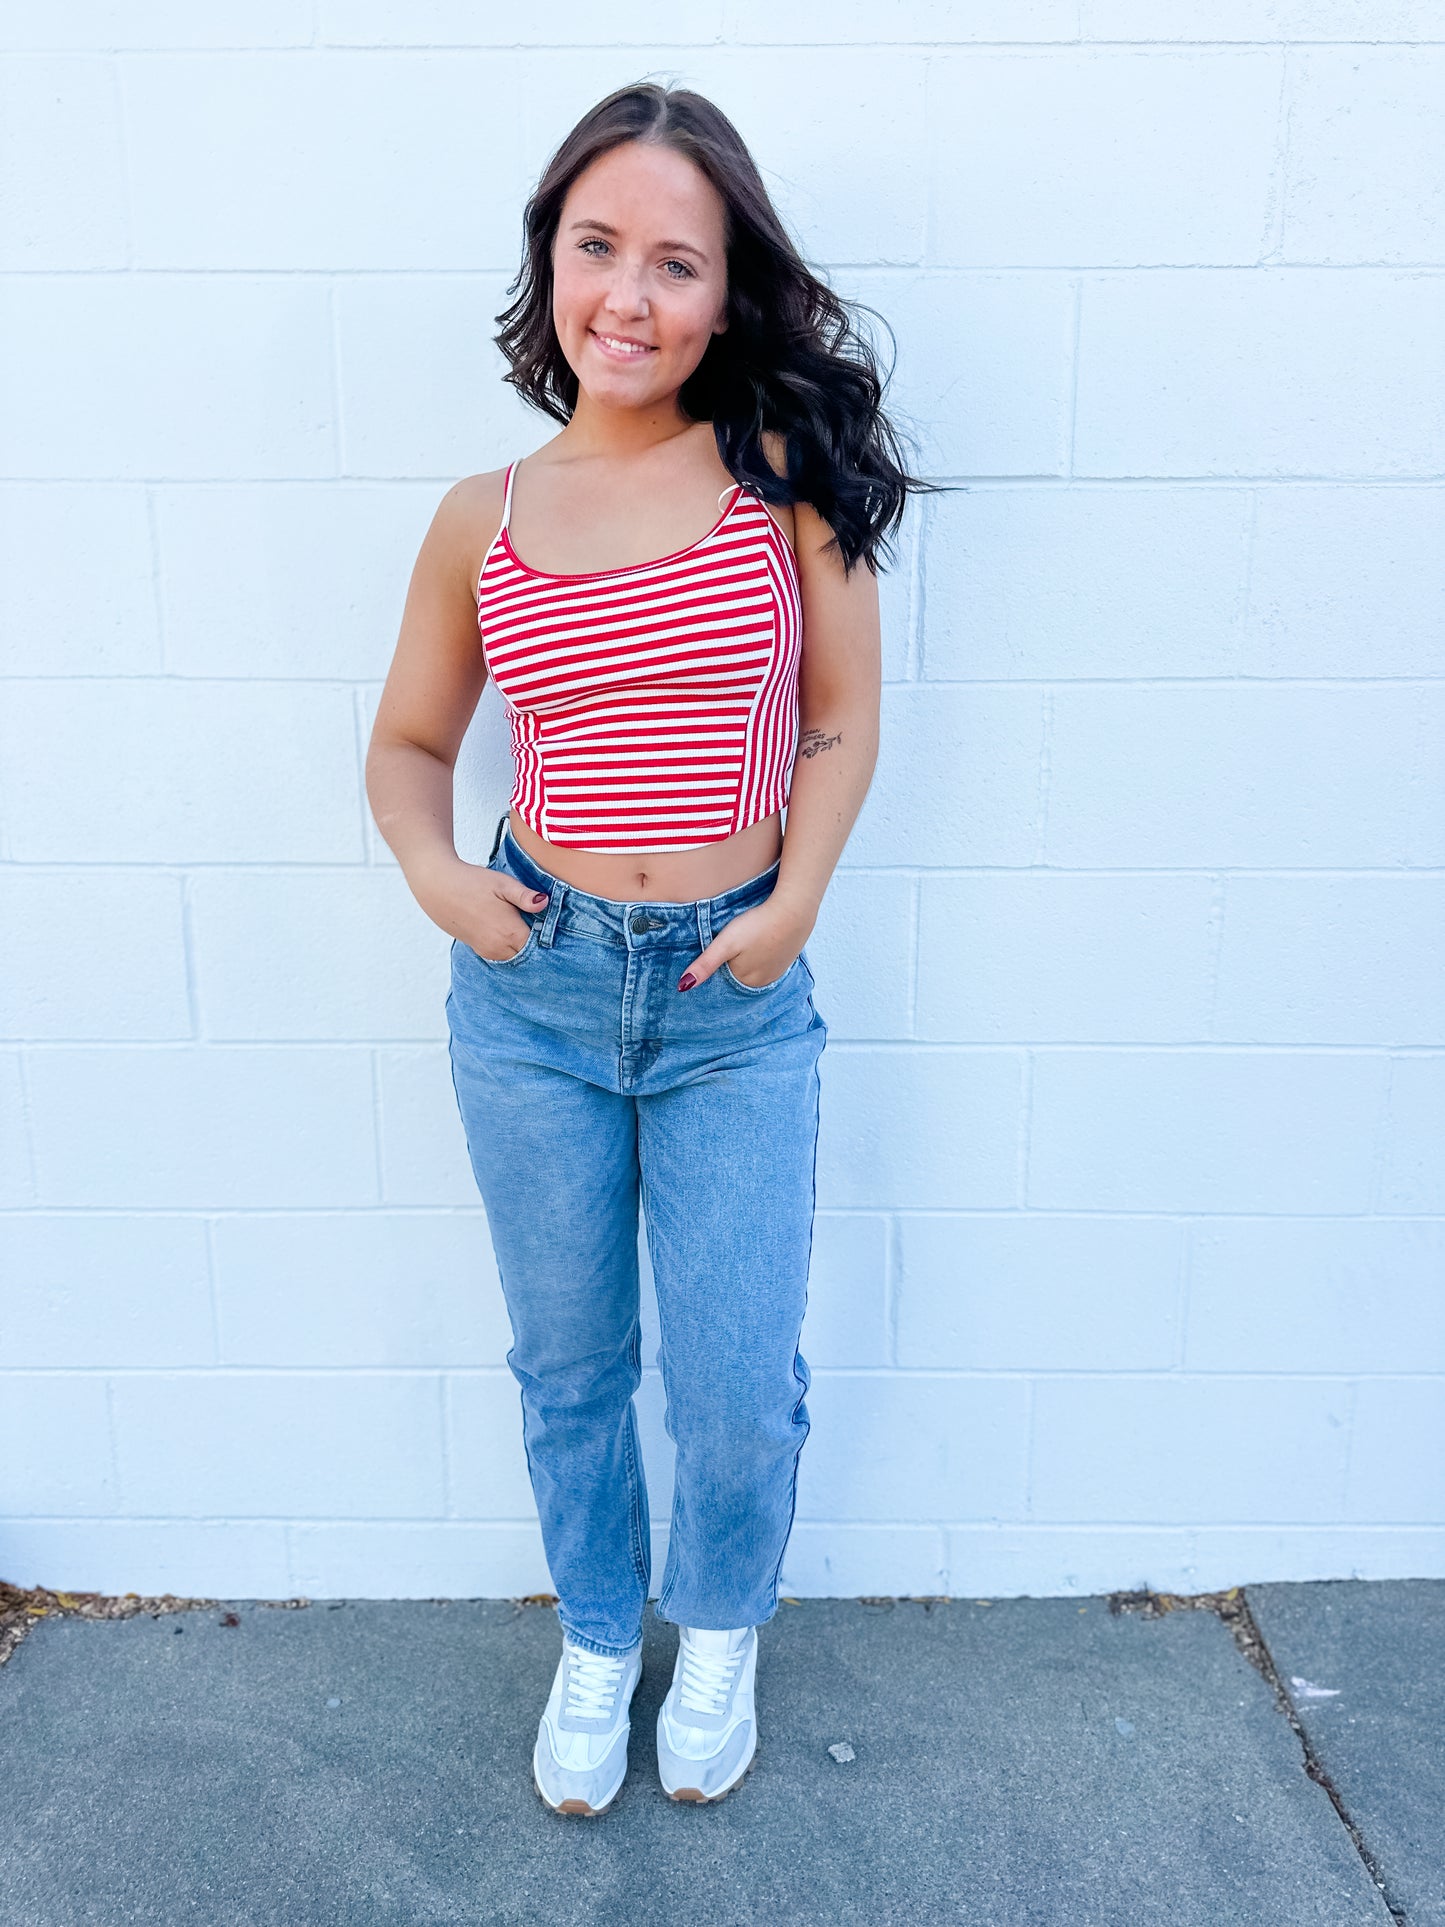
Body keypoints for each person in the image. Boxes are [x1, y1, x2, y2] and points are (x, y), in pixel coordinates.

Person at [366, 80, 932, 1817]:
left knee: (738, 1381)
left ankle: (722, 1628)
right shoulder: (485, 514)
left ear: (727, 293)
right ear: (547, 261)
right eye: (594, 245)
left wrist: (795, 905)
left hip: (727, 1001)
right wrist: (437, 874)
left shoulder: (784, 480)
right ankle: (600, 1635)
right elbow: (403, 747)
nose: (627, 292)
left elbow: (839, 719)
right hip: (529, 992)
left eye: (674, 262)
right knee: (570, 1366)